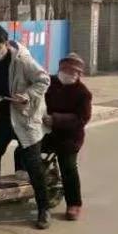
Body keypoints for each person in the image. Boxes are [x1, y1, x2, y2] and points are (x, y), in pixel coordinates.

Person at [0, 25, 52, 229]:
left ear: (5, 44)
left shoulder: (22, 60)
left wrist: (27, 95)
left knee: (33, 164)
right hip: (0, 117)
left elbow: (44, 80)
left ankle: (43, 209)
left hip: (24, 118)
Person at [41, 53, 92, 221]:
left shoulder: (83, 93)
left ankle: (74, 204)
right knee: (25, 151)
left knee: (68, 167)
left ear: (79, 74)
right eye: (66, 70)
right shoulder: (49, 83)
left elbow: (82, 119)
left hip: (70, 137)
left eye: (74, 72)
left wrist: (56, 119)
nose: (69, 74)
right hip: (46, 131)